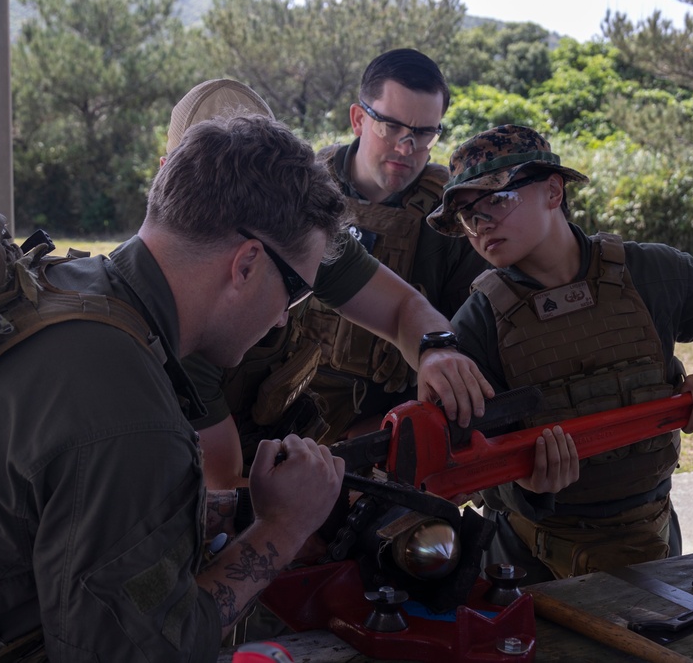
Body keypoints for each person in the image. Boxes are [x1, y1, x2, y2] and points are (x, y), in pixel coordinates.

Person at [0, 115, 347, 662]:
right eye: (295, 293)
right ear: (247, 264)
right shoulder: (128, 411)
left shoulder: (65, 285)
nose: (281, 321)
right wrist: (283, 526)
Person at [426, 124, 693, 584]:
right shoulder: (477, 321)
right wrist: (526, 485)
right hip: (528, 562)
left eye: (496, 201)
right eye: (467, 216)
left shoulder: (648, 273)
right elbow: (466, 455)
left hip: (653, 537)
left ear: (553, 191)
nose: (481, 225)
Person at [170, 78, 493, 490]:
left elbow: (401, 309)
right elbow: (224, 488)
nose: (283, 317)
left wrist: (435, 349)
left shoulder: (295, 235)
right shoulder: (183, 320)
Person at [303, 48, 490, 444]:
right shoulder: (302, 187)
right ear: (358, 119)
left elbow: (468, 347)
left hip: (389, 435)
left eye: (424, 133)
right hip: (282, 416)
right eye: (391, 126)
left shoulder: (453, 210)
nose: (407, 147)